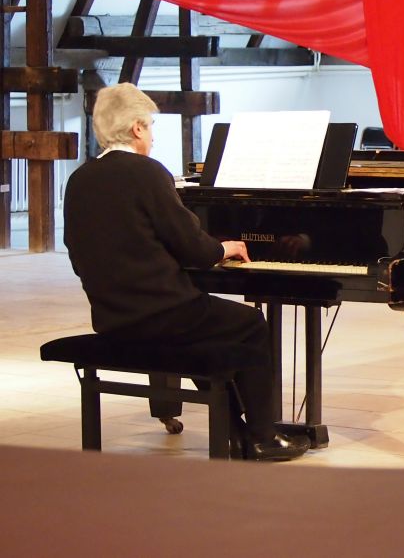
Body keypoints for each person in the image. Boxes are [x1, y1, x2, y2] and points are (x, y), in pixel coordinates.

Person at [63, 82, 309, 462]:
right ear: (137, 128)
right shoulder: (147, 173)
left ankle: (233, 433)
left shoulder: (78, 180)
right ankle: (263, 436)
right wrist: (224, 248)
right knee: (251, 325)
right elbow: (194, 248)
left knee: (204, 333)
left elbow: (78, 257)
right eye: (150, 127)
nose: (152, 137)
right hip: (162, 315)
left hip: (112, 318)